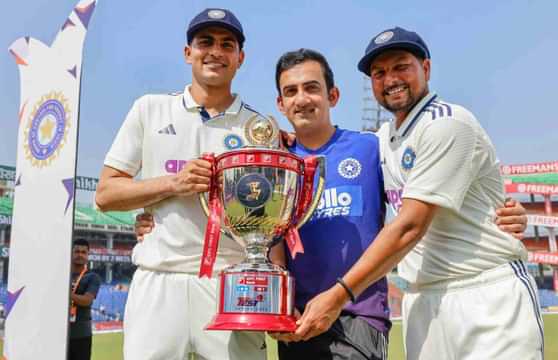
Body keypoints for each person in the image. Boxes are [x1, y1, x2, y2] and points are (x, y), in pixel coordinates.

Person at [135, 48, 528, 360]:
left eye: (311, 88)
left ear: (332, 95)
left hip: (357, 315)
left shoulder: (374, 147)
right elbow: (268, 233)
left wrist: (504, 210)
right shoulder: (275, 163)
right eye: (291, 92)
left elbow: (436, 183)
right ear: (280, 103)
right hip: (298, 319)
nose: (302, 99)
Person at [294, 27, 543, 360]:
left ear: (425, 68)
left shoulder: (447, 123)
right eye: (379, 73)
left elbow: (410, 225)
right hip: (423, 301)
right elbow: (337, 152)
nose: (390, 78)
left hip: (486, 293)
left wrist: (339, 295)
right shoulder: (383, 140)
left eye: (401, 66)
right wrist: (289, 141)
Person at [95, 8, 269, 360]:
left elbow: (269, 219)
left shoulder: (260, 128)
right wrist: (174, 183)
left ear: (240, 58)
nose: (215, 51)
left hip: (229, 283)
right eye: (205, 42)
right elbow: (106, 194)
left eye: (227, 44)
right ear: (188, 52)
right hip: (159, 278)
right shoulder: (150, 109)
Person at [69, 238, 101, 360]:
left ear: (88, 255)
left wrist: (65, 294)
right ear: (71, 253)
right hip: (59, 333)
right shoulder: (62, 274)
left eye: (83, 252)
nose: (80, 255)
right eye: (77, 251)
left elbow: (87, 300)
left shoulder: (93, 277)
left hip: (81, 335)